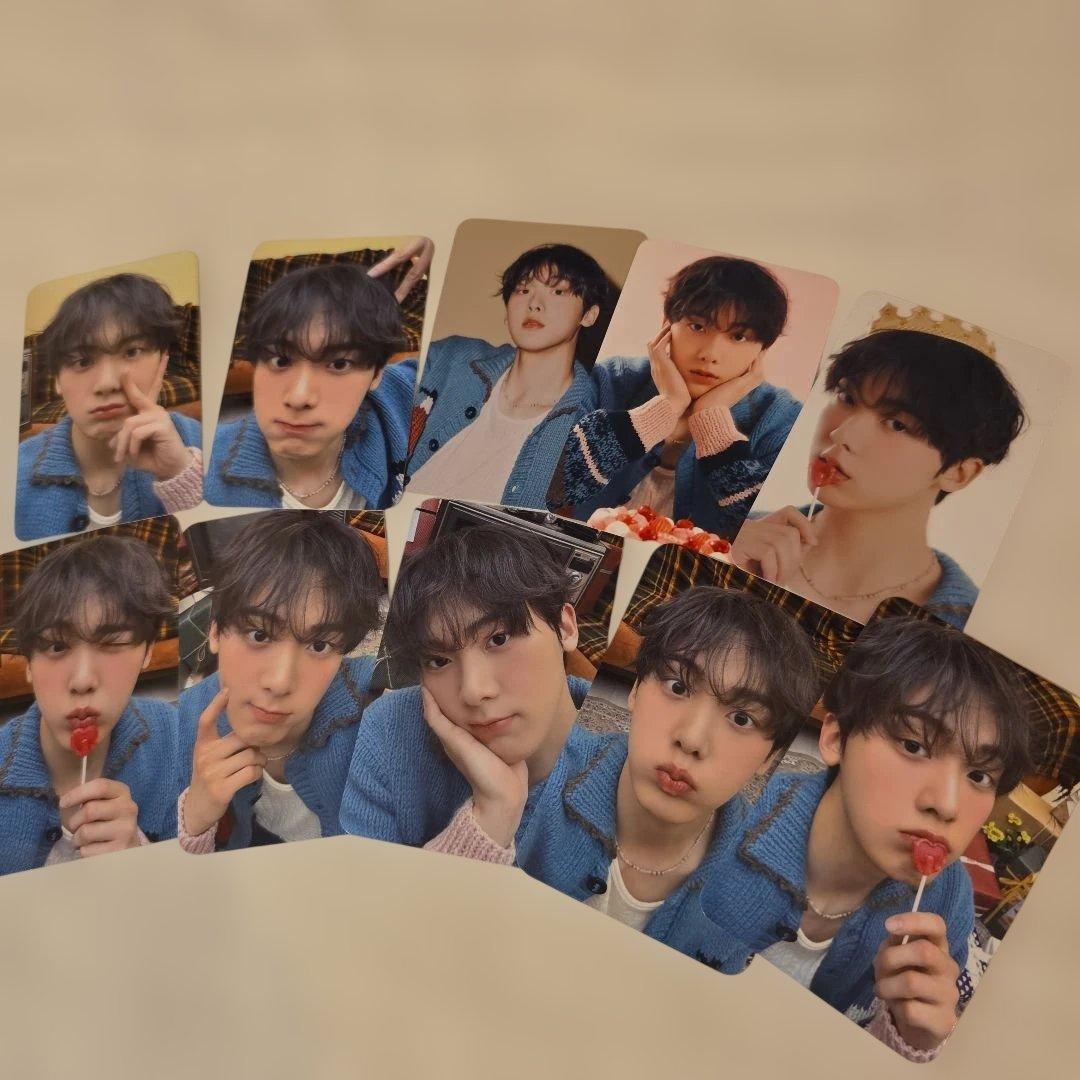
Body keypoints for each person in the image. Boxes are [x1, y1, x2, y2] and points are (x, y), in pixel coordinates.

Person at [700, 616, 1032, 1061]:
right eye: (914, 746)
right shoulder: (722, 821)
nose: (948, 805)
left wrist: (915, 1042)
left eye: (979, 775)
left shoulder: (946, 897)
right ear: (836, 738)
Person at [440, 589, 821, 951]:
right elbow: (440, 922)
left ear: (772, 756)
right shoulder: (540, 774)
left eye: (741, 718)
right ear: (636, 690)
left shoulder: (769, 886)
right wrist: (489, 822)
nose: (691, 739)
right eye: (677, 687)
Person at [730, 325, 1027, 628]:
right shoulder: (733, 535)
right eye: (847, 398)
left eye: (898, 424)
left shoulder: (964, 628)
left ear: (958, 472)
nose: (841, 434)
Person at [339, 525, 594, 855]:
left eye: (498, 639)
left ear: (565, 628)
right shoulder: (389, 732)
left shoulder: (628, 777)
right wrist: (489, 821)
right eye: (439, 661)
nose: (473, 691)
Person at [546, 256, 799, 538]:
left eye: (738, 337)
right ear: (667, 324)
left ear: (762, 349)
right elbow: (549, 486)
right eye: (698, 327)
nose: (710, 354)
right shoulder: (610, 380)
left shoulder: (782, 420)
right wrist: (664, 408)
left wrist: (713, 422)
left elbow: (762, 535)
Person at [176, 512, 383, 851]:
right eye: (259, 634)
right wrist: (194, 822)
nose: (280, 682)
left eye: (319, 645)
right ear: (214, 630)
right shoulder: (177, 726)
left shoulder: (375, 711)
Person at [0, 536, 178, 875]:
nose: (82, 680)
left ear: (148, 652)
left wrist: (140, 856)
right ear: (28, 663)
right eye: (56, 646)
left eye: (112, 643)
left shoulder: (176, 739)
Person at [406, 243, 617, 507]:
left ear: (588, 315)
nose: (534, 304)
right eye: (523, 290)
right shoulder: (451, 359)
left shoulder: (588, 431)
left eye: (558, 291)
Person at [205, 263, 415, 510]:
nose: (299, 397)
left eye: (339, 364)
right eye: (280, 361)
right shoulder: (203, 469)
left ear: (377, 373)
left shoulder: (400, 399)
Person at [16, 273, 203, 541]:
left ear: (163, 360)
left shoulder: (202, 443)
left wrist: (180, 474)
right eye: (82, 361)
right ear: (57, 379)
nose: (106, 384)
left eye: (131, 352)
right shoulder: (14, 476)